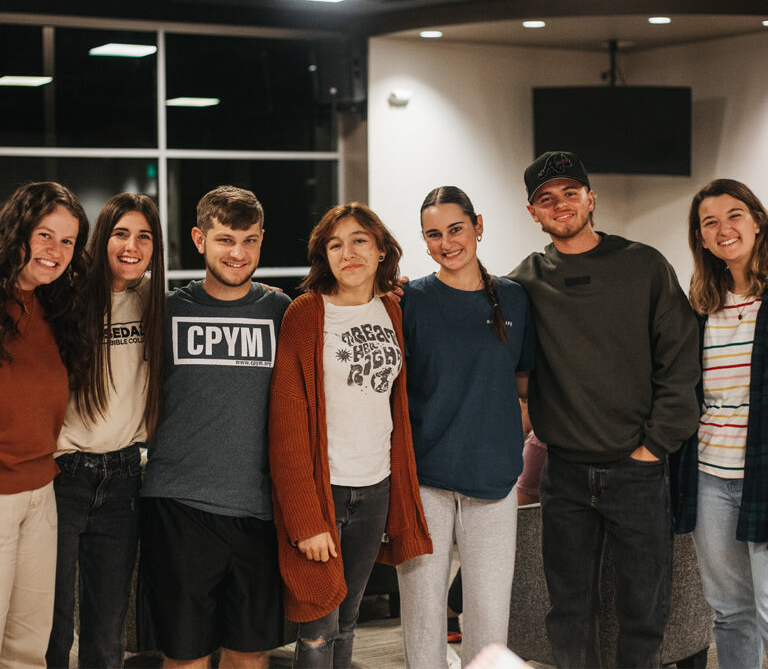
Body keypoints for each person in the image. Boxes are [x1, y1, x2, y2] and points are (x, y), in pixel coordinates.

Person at [509, 151, 700, 668]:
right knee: (567, 611)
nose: (560, 205)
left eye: (571, 193)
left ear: (591, 198)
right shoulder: (523, 283)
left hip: (636, 470)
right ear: (533, 213)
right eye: (546, 199)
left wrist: (653, 446)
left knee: (643, 608)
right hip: (564, 472)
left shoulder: (644, 266)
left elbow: (681, 360)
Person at [269, 202, 431, 669]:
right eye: (335, 245)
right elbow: (287, 426)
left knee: (348, 620)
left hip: (375, 488)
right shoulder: (307, 315)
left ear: (381, 249)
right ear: (325, 258)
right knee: (316, 630)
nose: (348, 252)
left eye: (359, 240)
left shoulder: (391, 310)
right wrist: (306, 522)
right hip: (325, 492)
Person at [137, 185, 290, 669]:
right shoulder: (165, 310)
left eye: (249, 240)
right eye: (226, 239)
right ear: (200, 239)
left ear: (262, 239)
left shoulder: (282, 312)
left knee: (249, 656)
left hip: (259, 511)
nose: (238, 253)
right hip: (179, 506)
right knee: (185, 657)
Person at [396, 186, 536, 669]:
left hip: (493, 483)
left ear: (478, 225)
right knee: (422, 614)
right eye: (433, 234)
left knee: (489, 620)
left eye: (456, 229)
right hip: (424, 483)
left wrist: (497, 435)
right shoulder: (409, 299)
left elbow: (521, 385)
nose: (446, 242)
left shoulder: (515, 298)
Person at [46, 194, 165, 669]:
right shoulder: (67, 298)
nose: (131, 246)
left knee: (107, 630)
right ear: (102, 238)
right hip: (63, 476)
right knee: (52, 625)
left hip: (123, 479)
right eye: (121, 233)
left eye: (144, 236)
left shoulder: (158, 301)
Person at [675, 179, 768, 669]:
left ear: (757, 220)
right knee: (730, 612)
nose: (723, 228)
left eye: (734, 215)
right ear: (702, 238)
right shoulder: (699, 309)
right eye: (709, 222)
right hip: (711, 477)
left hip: (764, 471)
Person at [0, 181, 89, 669]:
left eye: (68, 241)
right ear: (18, 231)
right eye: (45, 235)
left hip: (43, 488)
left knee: (31, 644)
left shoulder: (54, 306)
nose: (56, 251)